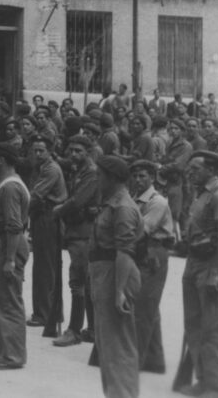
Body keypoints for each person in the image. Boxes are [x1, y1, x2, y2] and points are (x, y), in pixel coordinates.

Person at [178, 150, 218, 398]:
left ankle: (217, 386)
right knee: (195, 324)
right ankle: (203, 380)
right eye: (190, 169)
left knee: (215, 326)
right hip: (194, 262)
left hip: (214, 264)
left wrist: (215, 272)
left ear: (211, 170)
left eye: (196, 169)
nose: (190, 173)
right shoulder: (201, 194)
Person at [90, 155, 144, 398]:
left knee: (118, 347)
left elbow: (124, 251)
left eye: (100, 175)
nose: (97, 179)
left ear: (112, 178)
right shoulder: (112, 202)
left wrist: (119, 291)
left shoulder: (122, 207)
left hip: (116, 274)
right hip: (107, 272)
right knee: (108, 346)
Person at [0, 142, 31, 370]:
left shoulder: (10, 187)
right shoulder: (6, 184)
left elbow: (13, 226)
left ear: (2, 160)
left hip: (6, 245)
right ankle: (4, 348)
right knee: (1, 298)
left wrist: (10, 259)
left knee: (9, 300)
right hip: (1, 243)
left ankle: (13, 355)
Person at [52, 134, 99, 347]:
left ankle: (74, 330)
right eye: (71, 150)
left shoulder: (90, 173)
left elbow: (78, 200)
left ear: (87, 152)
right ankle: (91, 329)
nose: (73, 154)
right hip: (77, 230)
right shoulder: (77, 168)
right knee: (85, 283)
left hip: (83, 232)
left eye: (78, 151)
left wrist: (58, 210)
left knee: (78, 282)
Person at [130, 159, 175, 375]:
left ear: (152, 178)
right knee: (149, 304)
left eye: (143, 176)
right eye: (136, 176)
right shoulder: (135, 198)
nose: (138, 180)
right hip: (143, 249)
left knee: (143, 304)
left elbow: (142, 230)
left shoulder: (157, 201)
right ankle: (154, 360)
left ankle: (134, 359)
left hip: (153, 252)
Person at [27, 135, 67, 328]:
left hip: (48, 217)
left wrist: (19, 212)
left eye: (41, 150)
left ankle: (44, 313)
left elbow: (35, 195)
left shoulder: (51, 169)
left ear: (50, 151)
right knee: (44, 266)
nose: (37, 154)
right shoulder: (41, 167)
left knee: (45, 267)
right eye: (35, 150)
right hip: (42, 217)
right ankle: (49, 312)